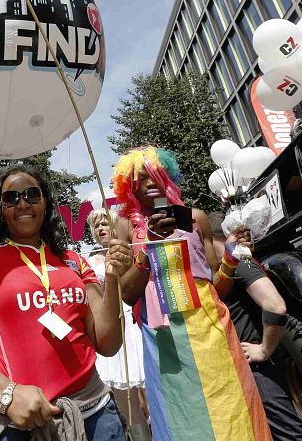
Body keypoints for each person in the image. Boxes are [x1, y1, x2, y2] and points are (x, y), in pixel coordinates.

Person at [0, 165, 132, 441]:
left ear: (45, 203)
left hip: (95, 415)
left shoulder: (73, 261)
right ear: (1, 210)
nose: (22, 203)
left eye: (31, 194)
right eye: (11, 198)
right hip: (16, 424)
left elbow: (108, 344)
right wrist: (7, 394)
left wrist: (112, 277)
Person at [113, 146, 272, 441]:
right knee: (180, 413)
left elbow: (217, 284)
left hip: (210, 331)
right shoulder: (127, 226)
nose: (149, 182)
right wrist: (149, 244)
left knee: (230, 404)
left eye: (155, 174)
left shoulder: (195, 218)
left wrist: (231, 257)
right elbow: (127, 294)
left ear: (168, 176)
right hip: (165, 340)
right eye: (139, 178)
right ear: (129, 187)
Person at [208, 215, 302, 441]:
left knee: (289, 435)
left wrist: (263, 350)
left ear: (211, 236)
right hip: (250, 369)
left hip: (261, 369)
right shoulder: (226, 266)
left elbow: (275, 306)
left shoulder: (239, 261)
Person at [85, 208, 149, 441]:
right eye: (96, 226)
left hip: (132, 323)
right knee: (124, 400)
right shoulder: (89, 261)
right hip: (112, 325)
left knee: (149, 392)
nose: (101, 229)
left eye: (105, 223)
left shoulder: (129, 252)